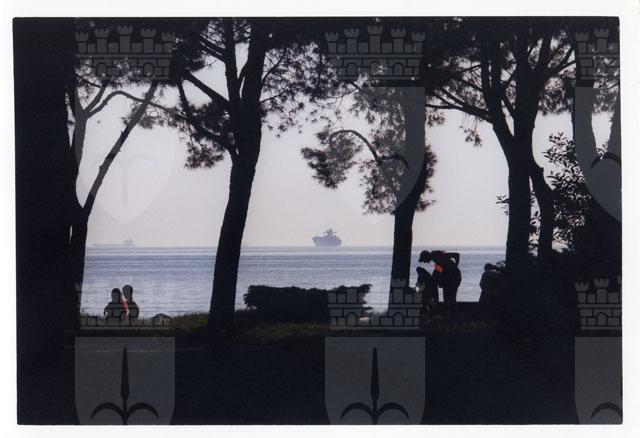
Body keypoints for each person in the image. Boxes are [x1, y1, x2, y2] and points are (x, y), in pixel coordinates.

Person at [419, 250, 462, 322]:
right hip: (451, 278)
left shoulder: (438, 256)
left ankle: (451, 317)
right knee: (449, 298)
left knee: (450, 298)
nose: (424, 262)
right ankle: (450, 317)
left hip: (453, 278)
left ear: (426, 257)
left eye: (424, 260)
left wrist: (455, 266)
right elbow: (440, 271)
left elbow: (456, 255)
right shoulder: (436, 260)